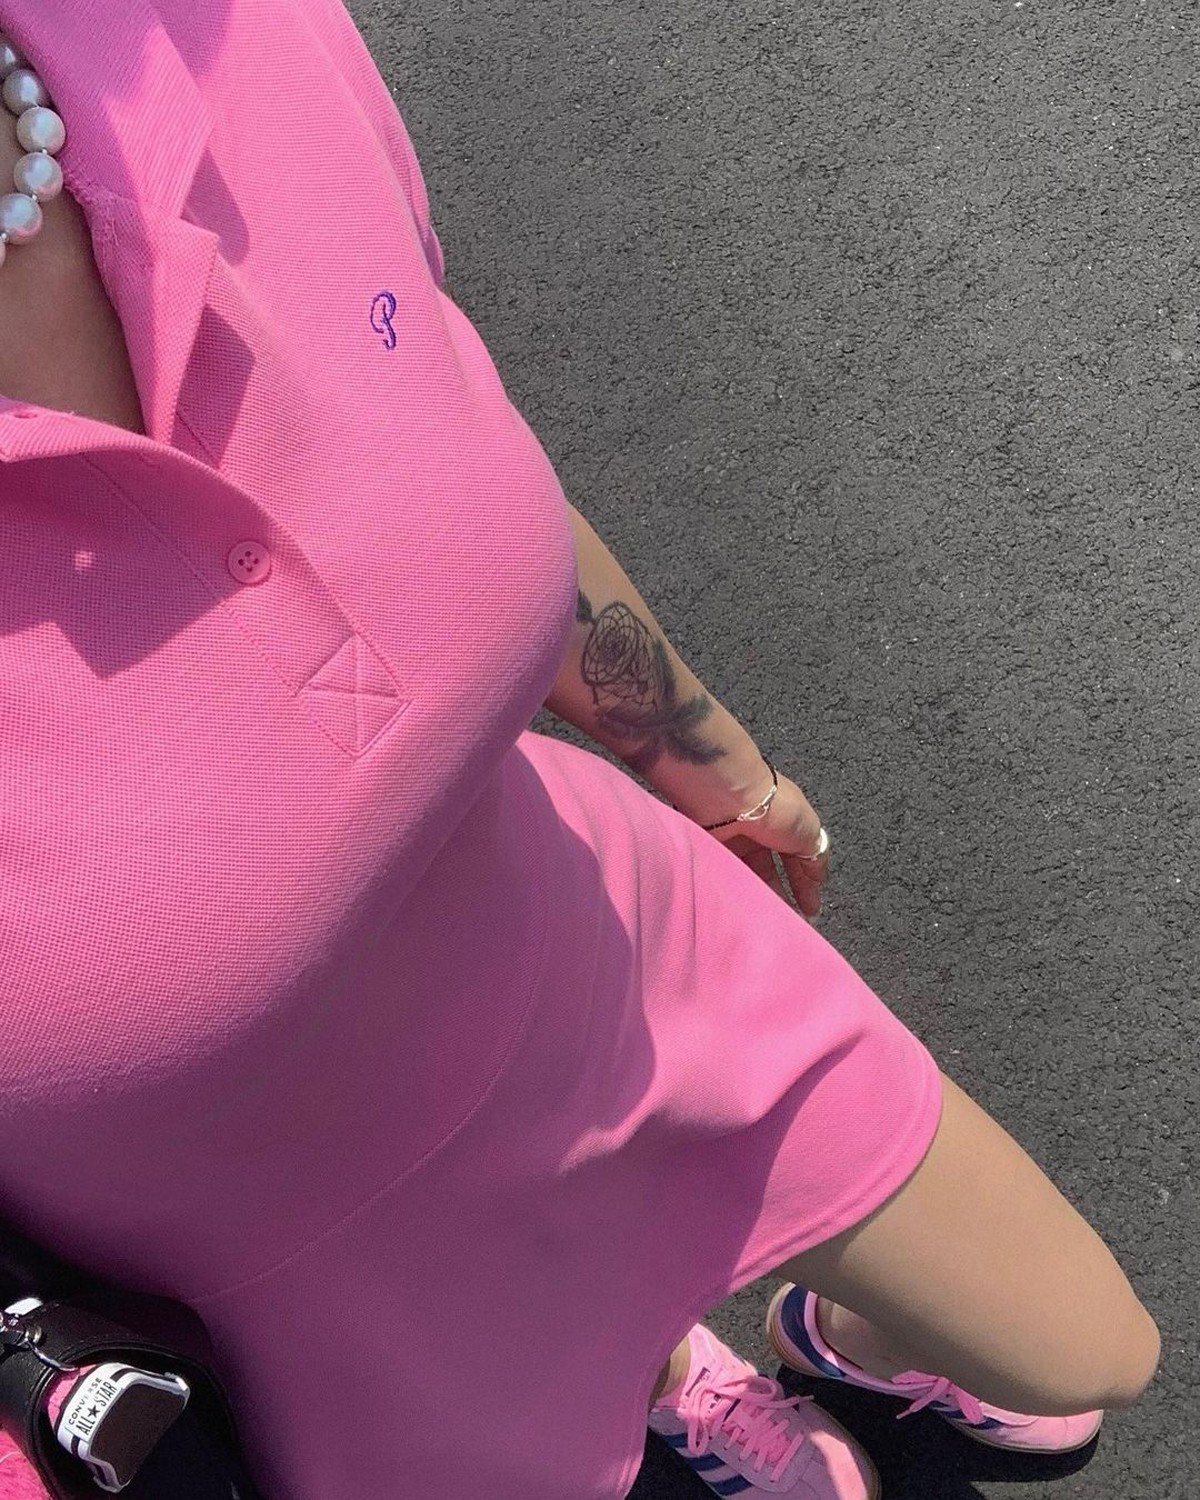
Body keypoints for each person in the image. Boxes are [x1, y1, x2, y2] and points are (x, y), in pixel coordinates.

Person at [0, 2, 1158, 1498]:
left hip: (605, 955)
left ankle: (812, 1339)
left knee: (1087, 1352)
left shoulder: (205, 36)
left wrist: (719, 773)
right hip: (313, 1289)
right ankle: (669, 1376)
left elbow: (454, 447)